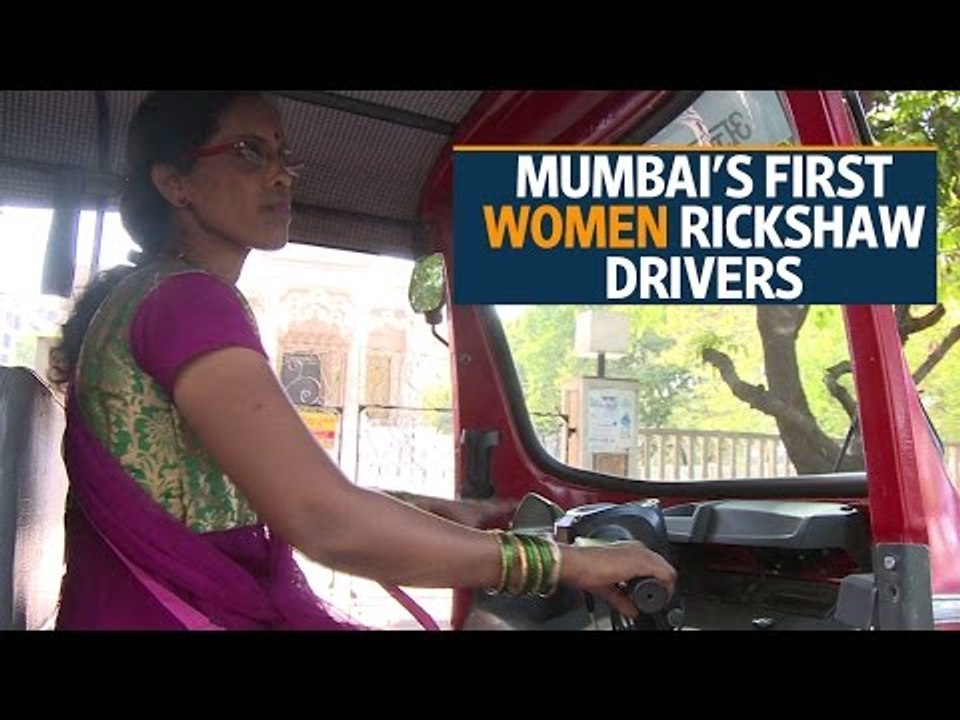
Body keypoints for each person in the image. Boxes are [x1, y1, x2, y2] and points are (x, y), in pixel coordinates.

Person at [49, 91, 676, 630]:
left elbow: (244, 493)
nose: (282, 176)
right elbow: (322, 518)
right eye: (249, 152)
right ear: (174, 183)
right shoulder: (188, 301)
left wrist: (426, 510)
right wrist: (560, 564)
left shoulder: (153, 296)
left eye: (283, 156)